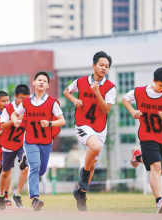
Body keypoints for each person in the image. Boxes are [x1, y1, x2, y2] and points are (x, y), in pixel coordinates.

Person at [122, 66, 162, 213]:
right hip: (146, 135)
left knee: (159, 171)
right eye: (161, 85)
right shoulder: (139, 91)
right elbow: (125, 99)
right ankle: (159, 201)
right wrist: (132, 111)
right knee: (155, 166)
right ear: (154, 81)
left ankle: (138, 156)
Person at [63, 51, 116, 211]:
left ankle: (81, 193)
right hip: (82, 124)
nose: (104, 68)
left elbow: (106, 109)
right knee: (96, 148)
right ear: (94, 65)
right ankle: (83, 173)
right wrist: (74, 100)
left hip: (100, 128)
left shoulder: (110, 87)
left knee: (93, 163)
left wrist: (97, 92)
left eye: (106, 66)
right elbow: (67, 91)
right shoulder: (80, 81)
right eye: (101, 65)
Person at [11, 72, 66, 211]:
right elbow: (15, 113)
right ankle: (35, 198)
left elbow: (62, 121)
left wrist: (49, 123)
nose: (41, 82)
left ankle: (26, 160)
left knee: (41, 171)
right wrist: (15, 120)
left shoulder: (52, 102)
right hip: (30, 141)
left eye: (44, 81)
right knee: (34, 167)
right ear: (34, 83)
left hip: (46, 142)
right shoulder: (26, 102)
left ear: (47, 85)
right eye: (39, 80)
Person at [0, 84, 30, 210]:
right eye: (21, 98)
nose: (24, 101)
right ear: (16, 96)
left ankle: (16, 195)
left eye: (26, 98)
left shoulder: (29, 108)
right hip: (8, 144)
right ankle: (1, 195)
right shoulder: (8, 108)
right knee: (5, 173)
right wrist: (14, 121)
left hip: (22, 144)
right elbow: (2, 126)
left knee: (25, 168)